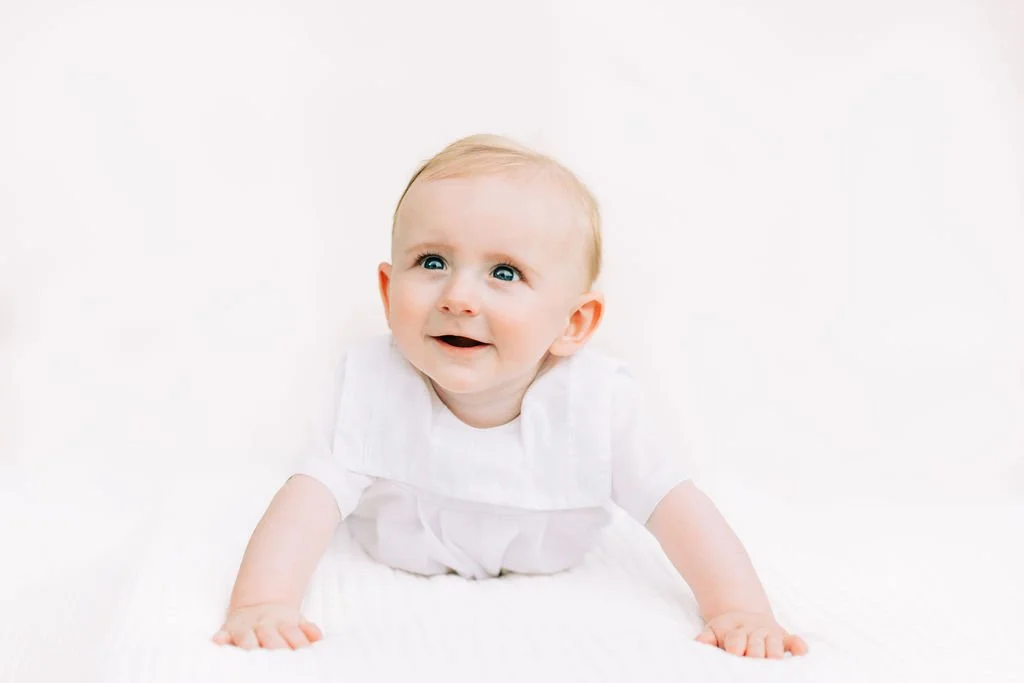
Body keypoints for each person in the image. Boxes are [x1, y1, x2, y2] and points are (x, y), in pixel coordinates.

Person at [212, 134, 809, 660]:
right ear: (389, 289)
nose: (459, 297)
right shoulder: (370, 382)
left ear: (573, 324)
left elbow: (678, 509)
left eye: (504, 273)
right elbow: (307, 501)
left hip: (553, 560)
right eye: (432, 261)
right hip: (397, 552)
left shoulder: (596, 403)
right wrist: (263, 602)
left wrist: (739, 610)